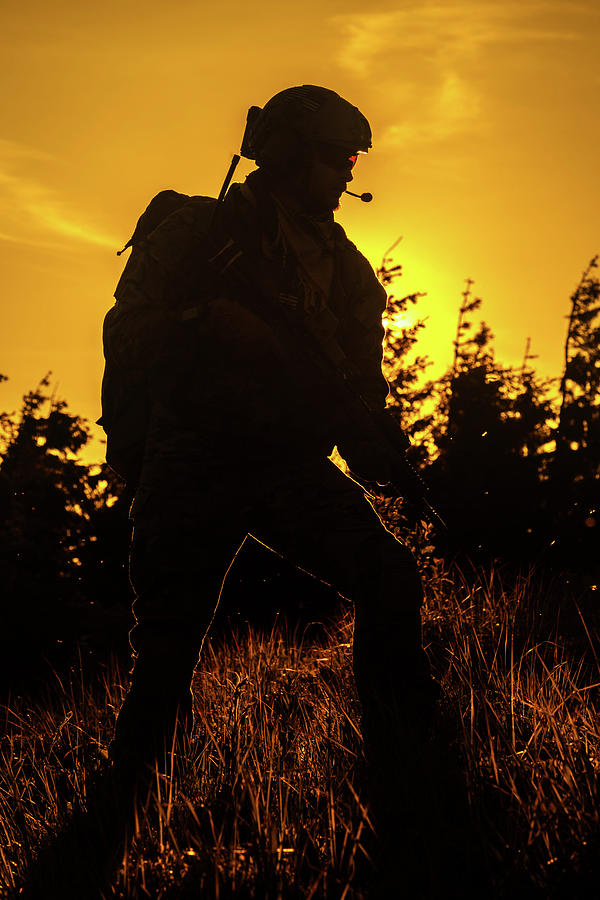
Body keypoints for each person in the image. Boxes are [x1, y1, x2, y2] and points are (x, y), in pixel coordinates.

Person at [108, 84, 437, 780]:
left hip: (288, 463)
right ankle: (124, 810)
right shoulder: (200, 234)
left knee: (390, 577)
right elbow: (127, 331)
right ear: (288, 153)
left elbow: (360, 398)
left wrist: (376, 448)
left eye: (353, 157)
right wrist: (209, 327)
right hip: (192, 457)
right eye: (334, 155)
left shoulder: (348, 275)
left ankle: (406, 767)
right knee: (166, 652)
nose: (349, 170)